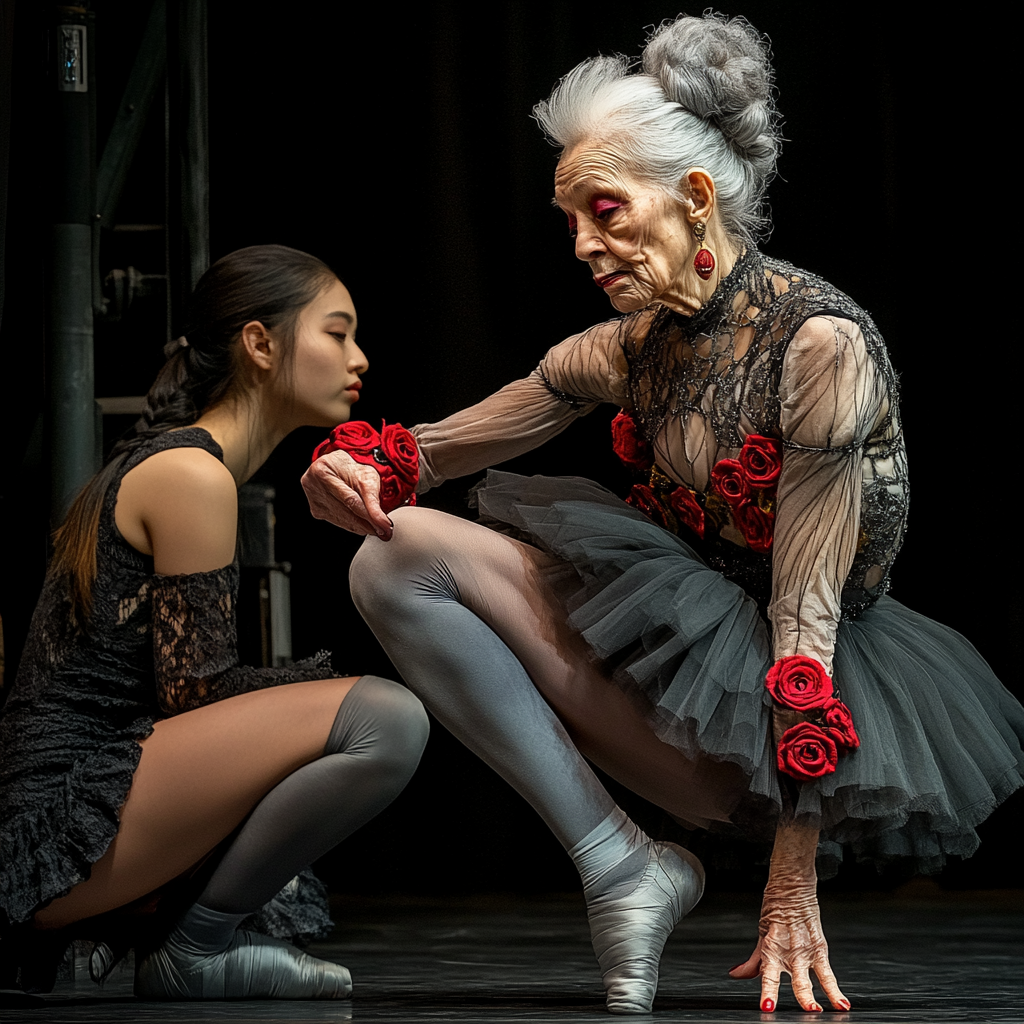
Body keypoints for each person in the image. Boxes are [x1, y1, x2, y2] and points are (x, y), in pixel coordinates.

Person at [301, 12, 1024, 1017]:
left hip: (796, 726)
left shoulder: (818, 347)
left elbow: (807, 605)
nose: (586, 247)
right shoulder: (629, 348)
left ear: (692, 199)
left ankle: (695, 860)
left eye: (604, 212)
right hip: (674, 689)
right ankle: (620, 863)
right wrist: (355, 470)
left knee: (790, 619)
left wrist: (790, 878)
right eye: (573, 225)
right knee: (394, 556)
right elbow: (438, 446)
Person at [0, 244, 429, 1000]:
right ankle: (191, 953)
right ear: (260, 344)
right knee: (386, 720)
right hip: (63, 824)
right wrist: (314, 690)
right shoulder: (190, 473)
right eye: (337, 332)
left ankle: (157, 931)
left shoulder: (186, 467)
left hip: (98, 799)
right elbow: (193, 697)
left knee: (360, 716)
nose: (358, 357)